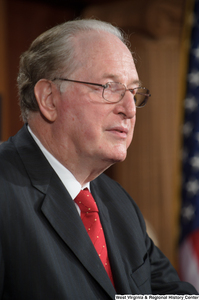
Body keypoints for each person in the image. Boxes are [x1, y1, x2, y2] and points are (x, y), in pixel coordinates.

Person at [0, 19, 197, 299]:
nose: (130, 109)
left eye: (133, 92)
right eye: (109, 87)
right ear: (49, 99)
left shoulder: (119, 202)